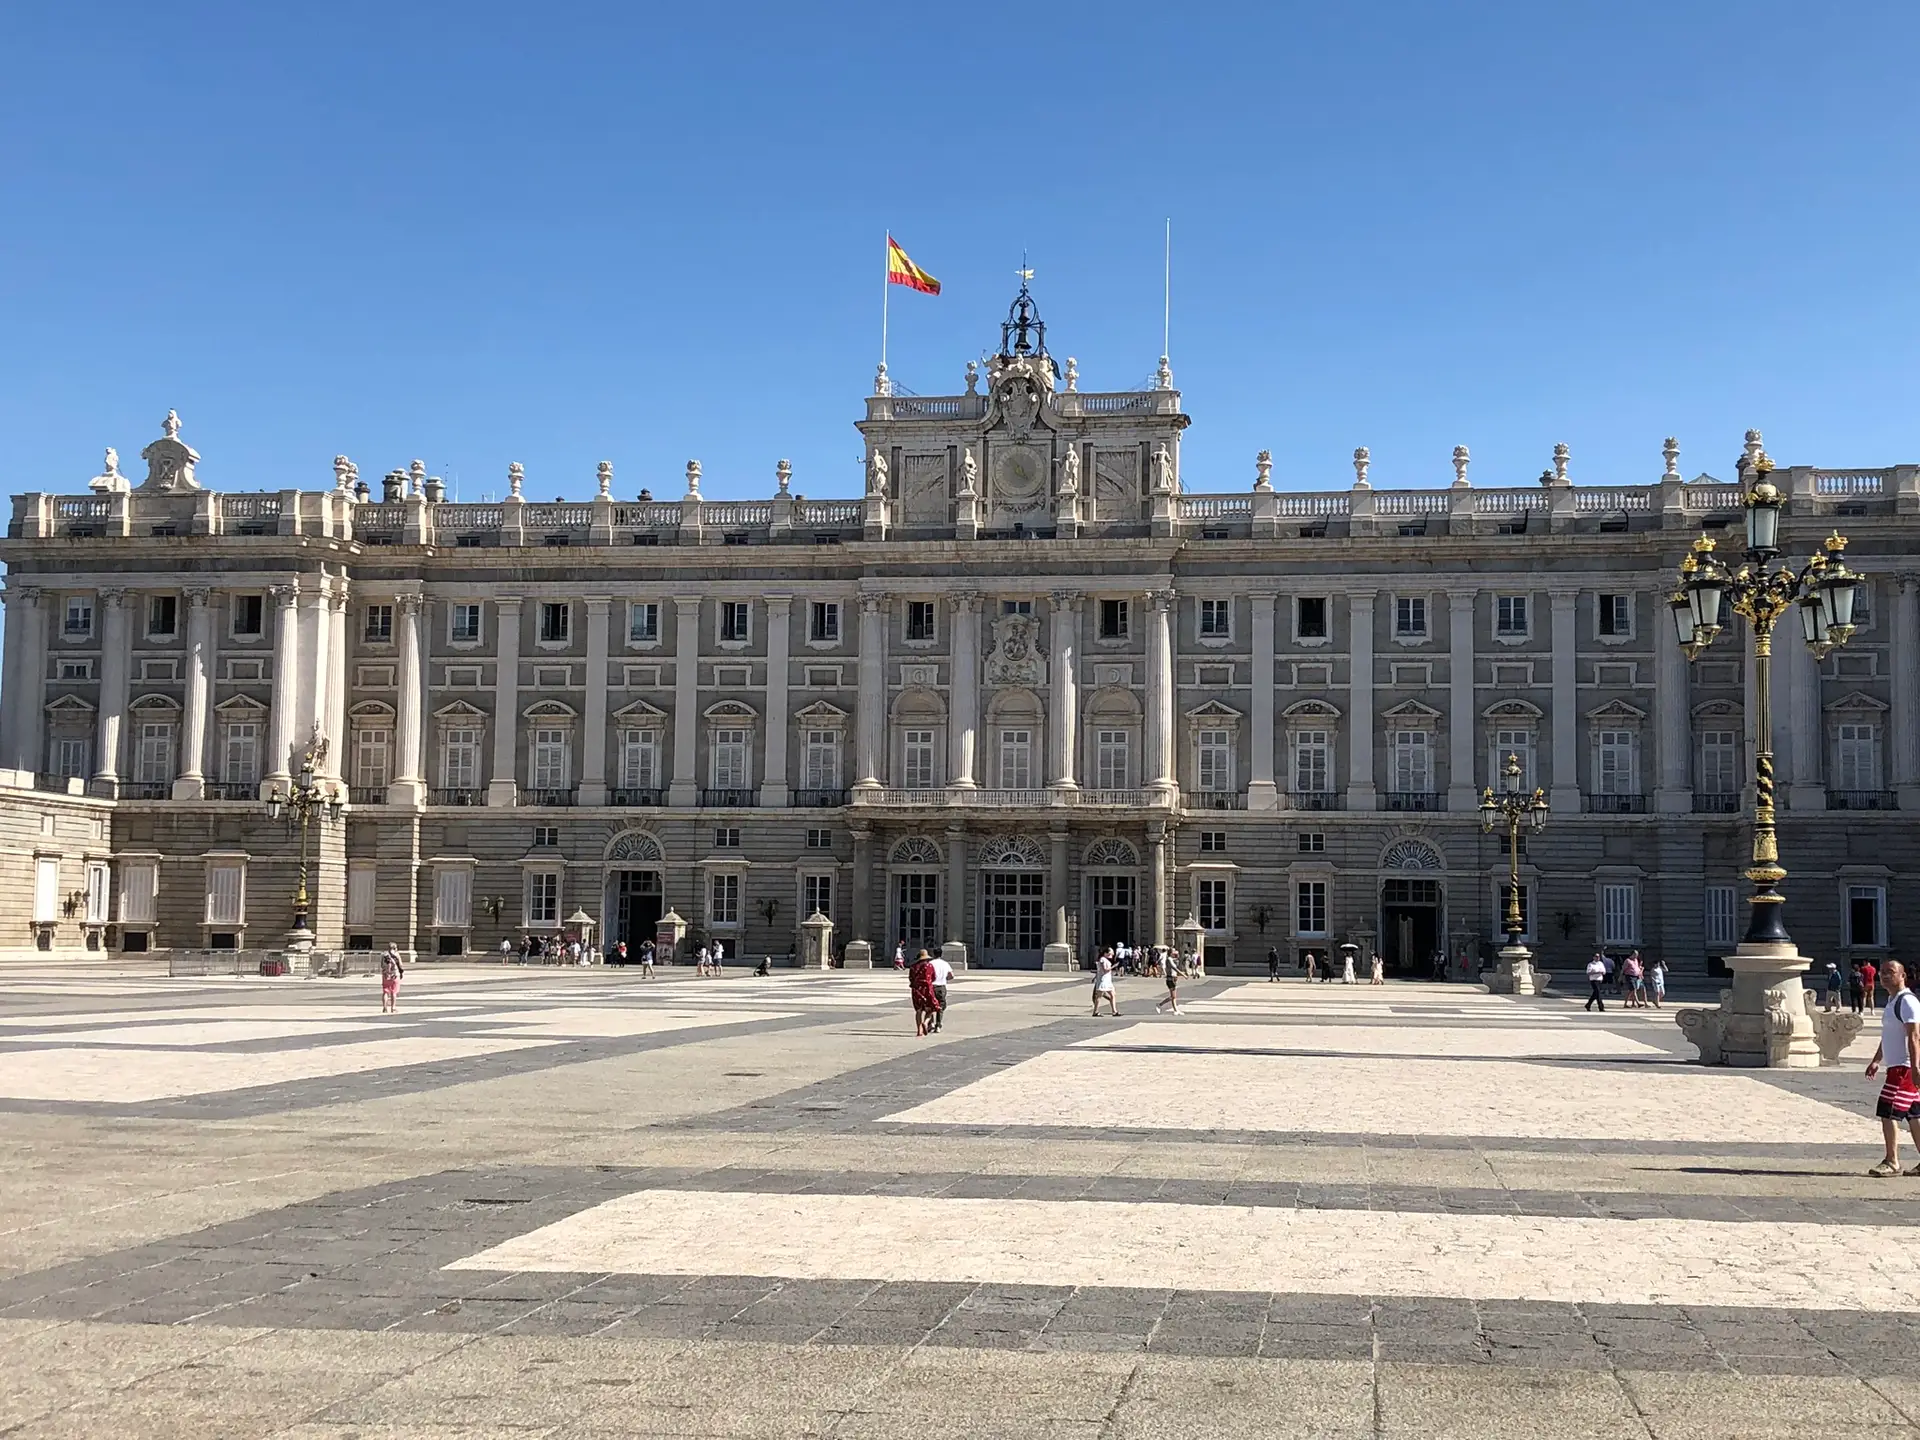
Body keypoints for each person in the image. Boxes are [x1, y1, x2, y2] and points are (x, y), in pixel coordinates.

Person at [1865, 960, 1920, 1176]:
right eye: (1882, 972)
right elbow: (1889, 1036)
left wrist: (1915, 1067)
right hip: (1898, 1067)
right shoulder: (1892, 1001)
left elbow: (1914, 1035)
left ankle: (1892, 1161)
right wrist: (1877, 1059)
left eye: (1891, 972)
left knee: (1888, 1112)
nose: (1885, 976)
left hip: (1904, 1069)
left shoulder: (1907, 1002)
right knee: (1914, 1115)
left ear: (1903, 975)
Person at [908, 949, 941, 1036]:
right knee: (931, 1008)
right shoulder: (929, 966)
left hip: (916, 989)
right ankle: (926, 1023)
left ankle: (919, 1030)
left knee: (918, 1010)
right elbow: (933, 977)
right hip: (927, 989)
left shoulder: (913, 966)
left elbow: (910, 978)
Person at [929, 950, 954, 1030]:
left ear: (933, 954)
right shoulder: (945, 963)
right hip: (941, 986)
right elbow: (951, 975)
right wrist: (945, 978)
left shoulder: (930, 963)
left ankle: (931, 1023)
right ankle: (938, 1024)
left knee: (930, 1005)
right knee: (940, 1006)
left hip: (931, 986)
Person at [1092, 950, 1119, 1017]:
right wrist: (1114, 966)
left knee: (1112, 994)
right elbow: (1105, 969)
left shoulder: (1105, 960)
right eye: (1109, 953)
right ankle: (1095, 1011)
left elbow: (1099, 971)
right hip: (1103, 980)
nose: (1111, 954)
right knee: (1099, 996)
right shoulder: (1102, 959)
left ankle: (1114, 1011)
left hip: (1107, 980)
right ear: (1105, 953)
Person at [379, 944, 404, 1013]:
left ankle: (384, 1007)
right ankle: (393, 1008)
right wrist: (401, 972)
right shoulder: (397, 955)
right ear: (395, 948)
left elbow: (381, 965)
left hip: (385, 975)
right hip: (395, 975)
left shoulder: (384, 955)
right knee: (394, 992)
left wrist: (385, 970)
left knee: (385, 991)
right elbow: (401, 965)